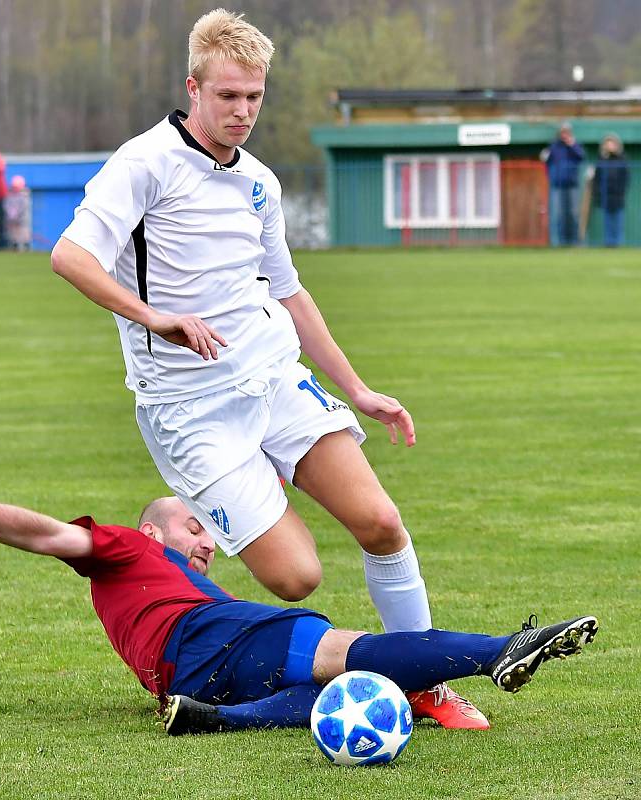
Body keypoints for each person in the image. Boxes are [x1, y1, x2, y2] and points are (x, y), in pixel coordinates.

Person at [50, 9, 480, 728]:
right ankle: (260, 482)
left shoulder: (260, 183)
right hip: (188, 409)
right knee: (295, 577)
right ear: (194, 86)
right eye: (228, 96)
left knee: (380, 522)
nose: (243, 112)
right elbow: (71, 256)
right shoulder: (143, 163)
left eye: (254, 97)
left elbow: (290, 292)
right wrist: (154, 317)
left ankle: (424, 683)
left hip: (273, 376)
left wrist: (358, 389)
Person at [0, 479, 599, 736]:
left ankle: (217, 722)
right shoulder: (128, 549)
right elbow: (46, 532)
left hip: (190, 676)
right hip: (209, 637)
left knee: (347, 689)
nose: (206, 541)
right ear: (152, 532)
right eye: (194, 528)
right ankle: (500, 649)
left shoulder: (190, 586)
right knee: (341, 648)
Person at [542, 122, 584, 246]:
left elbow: (581, 156)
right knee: (558, 215)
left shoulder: (575, 145)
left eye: (567, 132)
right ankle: (558, 242)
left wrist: (572, 145)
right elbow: (546, 162)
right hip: (557, 185)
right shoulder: (553, 147)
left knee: (573, 214)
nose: (564, 134)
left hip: (572, 185)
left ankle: (575, 241)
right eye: (562, 132)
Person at [592, 133, 630, 247]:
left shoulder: (622, 158)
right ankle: (608, 243)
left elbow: (626, 178)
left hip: (618, 195)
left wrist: (622, 191)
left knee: (618, 222)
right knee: (607, 221)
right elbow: (597, 178)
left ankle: (618, 243)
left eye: (612, 143)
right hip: (606, 195)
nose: (610, 145)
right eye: (607, 143)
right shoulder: (602, 159)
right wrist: (598, 192)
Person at [5, 174, 32, 251]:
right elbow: (6, 205)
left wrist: (17, 215)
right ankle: (14, 248)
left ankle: (26, 248)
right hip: (11, 220)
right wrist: (10, 215)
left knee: (24, 235)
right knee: (13, 236)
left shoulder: (25, 196)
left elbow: (24, 208)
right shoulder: (9, 195)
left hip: (22, 221)